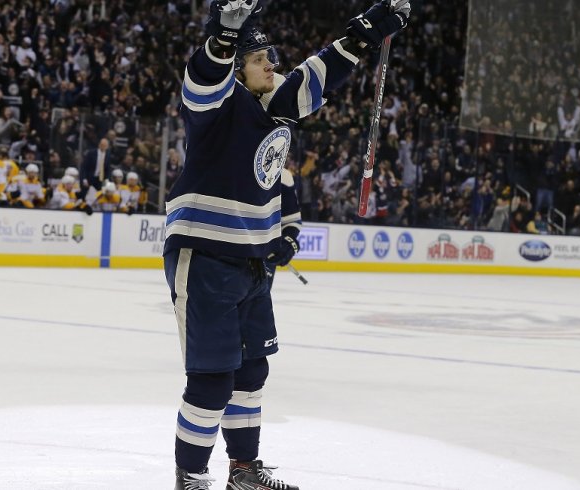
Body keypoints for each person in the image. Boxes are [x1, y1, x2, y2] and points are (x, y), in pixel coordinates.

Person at [164, 1, 410, 489]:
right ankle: (190, 476)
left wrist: (364, 35)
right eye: (260, 60)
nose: (271, 65)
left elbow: (315, 79)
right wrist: (223, 38)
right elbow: (201, 81)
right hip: (207, 253)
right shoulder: (218, 107)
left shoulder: (275, 112)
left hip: (252, 262)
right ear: (237, 71)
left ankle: (243, 471)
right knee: (212, 379)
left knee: (252, 371)